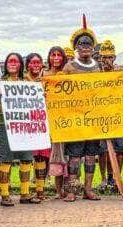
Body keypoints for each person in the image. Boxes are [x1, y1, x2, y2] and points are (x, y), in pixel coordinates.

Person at [61, 16, 101, 202]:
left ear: (93, 48)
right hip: (75, 120)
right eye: (82, 45)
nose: (85, 48)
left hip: (93, 120)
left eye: (88, 45)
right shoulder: (69, 67)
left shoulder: (97, 68)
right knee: (74, 158)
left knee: (91, 156)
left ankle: (88, 189)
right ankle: (72, 190)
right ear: (76, 48)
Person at [0, 52, 41, 206]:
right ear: (6, 64)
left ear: (21, 65)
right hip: (5, 126)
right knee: (5, 160)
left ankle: (25, 194)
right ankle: (5, 195)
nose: (13, 64)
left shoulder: (26, 82)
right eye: (10, 61)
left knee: (26, 159)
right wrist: (0, 101)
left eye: (16, 61)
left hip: (23, 127)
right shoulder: (0, 83)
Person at [98, 40, 123, 190]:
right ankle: (105, 178)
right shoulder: (95, 73)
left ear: (114, 57)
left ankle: (117, 178)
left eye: (109, 57)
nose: (106, 60)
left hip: (119, 116)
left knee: (120, 149)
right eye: (103, 57)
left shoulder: (121, 72)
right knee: (103, 150)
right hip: (102, 116)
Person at [24, 53, 50, 200]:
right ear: (28, 65)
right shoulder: (23, 82)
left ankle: (40, 190)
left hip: (43, 123)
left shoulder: (45, 81)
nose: (35, 65)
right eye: (33, 63)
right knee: (30, 157)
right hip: (27, 124)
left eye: (38, 63)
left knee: (42, 157)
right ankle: (26, 191)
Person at [45, 46, 68, 199]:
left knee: (67, 154)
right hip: (49, 119)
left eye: (59, 55)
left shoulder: (67, 74)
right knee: (54, 154)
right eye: (53, 55)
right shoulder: (44, 75)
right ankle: (57, 190)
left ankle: (67, 189)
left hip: (66, 119)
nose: (56, 58)